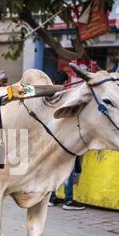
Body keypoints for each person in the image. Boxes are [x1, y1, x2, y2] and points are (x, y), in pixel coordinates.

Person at [48, 71, 84, 210]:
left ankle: (52, 198)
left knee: (54, 169)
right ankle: (68, 201)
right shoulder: (65, 95)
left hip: (52, 137)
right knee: (69, 169)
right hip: (65, 137)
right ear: (64, 82)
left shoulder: (49, 95)